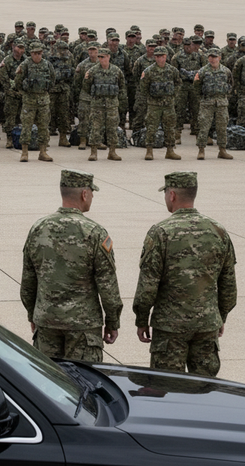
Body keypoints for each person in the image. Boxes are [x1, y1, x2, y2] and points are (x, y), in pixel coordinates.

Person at [133, 172, 237, 377]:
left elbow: (148, 286)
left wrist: (142, 319)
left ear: (172, 195)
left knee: (168, 387)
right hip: (206, 325)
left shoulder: (161, 232)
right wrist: (220, 316)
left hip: (169, 329)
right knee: (205, 387)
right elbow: (228, 284)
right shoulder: (218, 231)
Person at [21, 169, 122, 362]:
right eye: (92, 192)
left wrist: (33, 315)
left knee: (48, 378)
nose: (92, 197)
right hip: (83, 328)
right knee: (83, 378)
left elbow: (28, 281)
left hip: (47, 322)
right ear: (85, 194)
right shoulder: (94, 233)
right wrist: (112, 321)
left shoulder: (38, 228)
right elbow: (108, 286)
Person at [82, 49, 126, 161]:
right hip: (97, 105)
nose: (101, 59)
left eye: (104, 57)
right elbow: (86, 86)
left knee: (112, 129)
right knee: (95, 128)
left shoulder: (116, 71)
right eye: (100, 57)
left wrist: (118, 101)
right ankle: (93, 152)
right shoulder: (92, 71)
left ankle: (112, 152)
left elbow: (122, 86)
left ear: (109, 57)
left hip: (112, 105)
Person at [14, 42, 55, 162]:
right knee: (26, 126)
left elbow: (52, 80)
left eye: (39, 53)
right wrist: (25, 93)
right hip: (29, 100)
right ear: (31, 54)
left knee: (44, 127)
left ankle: (43, 152)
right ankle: (24, 152)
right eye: (35, 53)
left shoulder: (47, 65)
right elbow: (18, 81)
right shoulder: (25, 64)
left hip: (43, 100)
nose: (37, 55)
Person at [140, 46, 182, 160]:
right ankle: (149, 150)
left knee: (170, 128)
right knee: (151, 127)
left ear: (166, 57)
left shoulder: (172, 70)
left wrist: (173, 95)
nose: (160, 59)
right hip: (154, 105)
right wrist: (150, 98)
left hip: (168, 105)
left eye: (162, 56)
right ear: (155, 57)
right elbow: (143, 87)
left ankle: (170, 150)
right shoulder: (148, 71)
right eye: (157, 56)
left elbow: (178, 84)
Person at [194, 49, 234, 160]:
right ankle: (201, 150)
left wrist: (225, 96)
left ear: (219, 58)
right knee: (204, 126)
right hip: (207, 103)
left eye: (215, 57)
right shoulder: (202, 71)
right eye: (210, 57)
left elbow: (230, 84)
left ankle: (222, 150)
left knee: (222, 127)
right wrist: (203, 99)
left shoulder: (226, 71)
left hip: (221, 103)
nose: (212, 59)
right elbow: (196, 87)